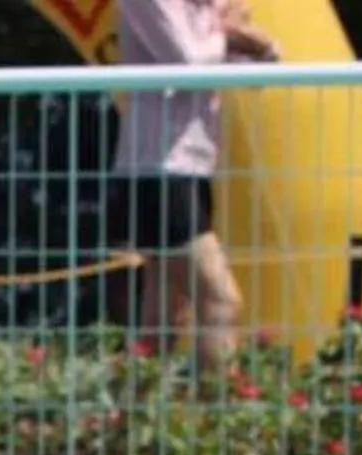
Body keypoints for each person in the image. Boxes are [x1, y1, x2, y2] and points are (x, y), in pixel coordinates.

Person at [110, 0, 278, 366]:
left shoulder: (210, 6)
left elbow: (258, 73)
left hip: (195, 166)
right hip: (156, 168)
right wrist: (230, 35)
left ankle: (129, 418)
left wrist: (259, 46)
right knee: (220, 300)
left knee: (165, 315)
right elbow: (185, 62)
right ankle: (210, 419)